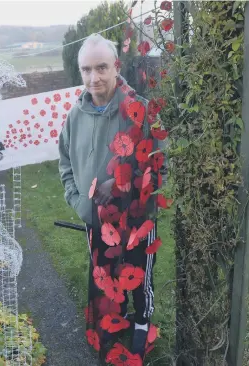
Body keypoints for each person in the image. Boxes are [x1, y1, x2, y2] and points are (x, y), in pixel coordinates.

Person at [58, 33, 168, 365]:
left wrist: (123, 185)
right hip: (96, 219)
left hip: (136, 219)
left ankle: (141, 321)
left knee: (139, 277)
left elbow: (159, 168)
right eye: (87, 70)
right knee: (105, 274)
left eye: (102, 68)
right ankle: (113, 320)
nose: (94, 78)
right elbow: (64, 161)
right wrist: (80, 203)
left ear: (115, 66)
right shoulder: (75, 116)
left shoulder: (140, 110)